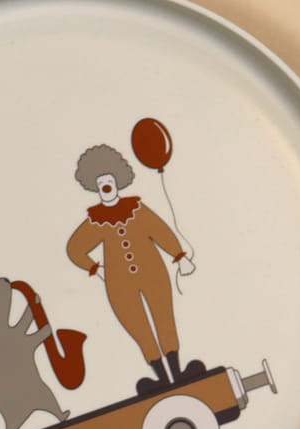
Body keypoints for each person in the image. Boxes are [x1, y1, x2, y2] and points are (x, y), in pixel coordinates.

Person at [66, 144, 203, 396]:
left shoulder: (137, 210)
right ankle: (163, 380)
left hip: (153, 273)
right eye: (100, 182)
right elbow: (75, 248)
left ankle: (177, 373)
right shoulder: (95, 221)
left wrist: (179, 256)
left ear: (117, 180)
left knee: (164, 320)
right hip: (119, 284)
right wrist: (95, 268)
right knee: (139, 329)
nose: (106, 186)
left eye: (109, 180)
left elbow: (161, 232)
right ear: (94, 186)